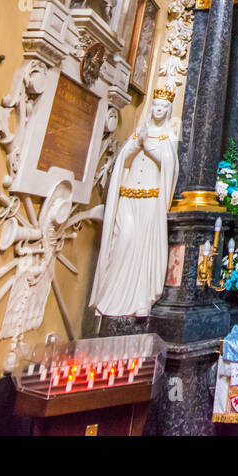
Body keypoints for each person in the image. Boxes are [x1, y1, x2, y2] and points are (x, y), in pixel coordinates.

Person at [89, 91, 179, 318]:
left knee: (143, 244)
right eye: (155, 106)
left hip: (150, 199)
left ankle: (140, 298)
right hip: (128, 197)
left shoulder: (167, 136)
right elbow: (124, 159)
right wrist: (137, 143)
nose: (158, 110)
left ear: (168, 111)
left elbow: (169, 165)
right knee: (123, 239)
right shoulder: (141, 131)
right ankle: (109, 297)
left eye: (162, 107)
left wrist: (148, 146)